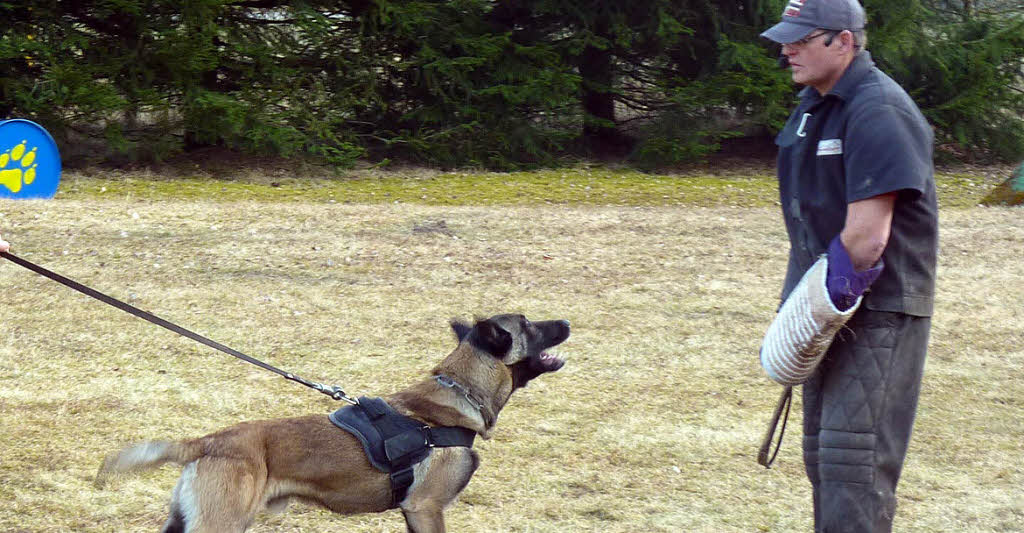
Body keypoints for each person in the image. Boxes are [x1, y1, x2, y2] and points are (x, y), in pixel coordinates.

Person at [761, 0, 938, 531]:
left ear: (843, 41)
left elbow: (866, 239)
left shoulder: (877, 108)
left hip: (874, 310)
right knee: (825, 460)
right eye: (784, 38)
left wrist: (813, 315)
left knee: (853, 469)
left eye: (799, 39)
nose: (785, 48)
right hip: (830, 307)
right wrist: (800, 313)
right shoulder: (816, 104)